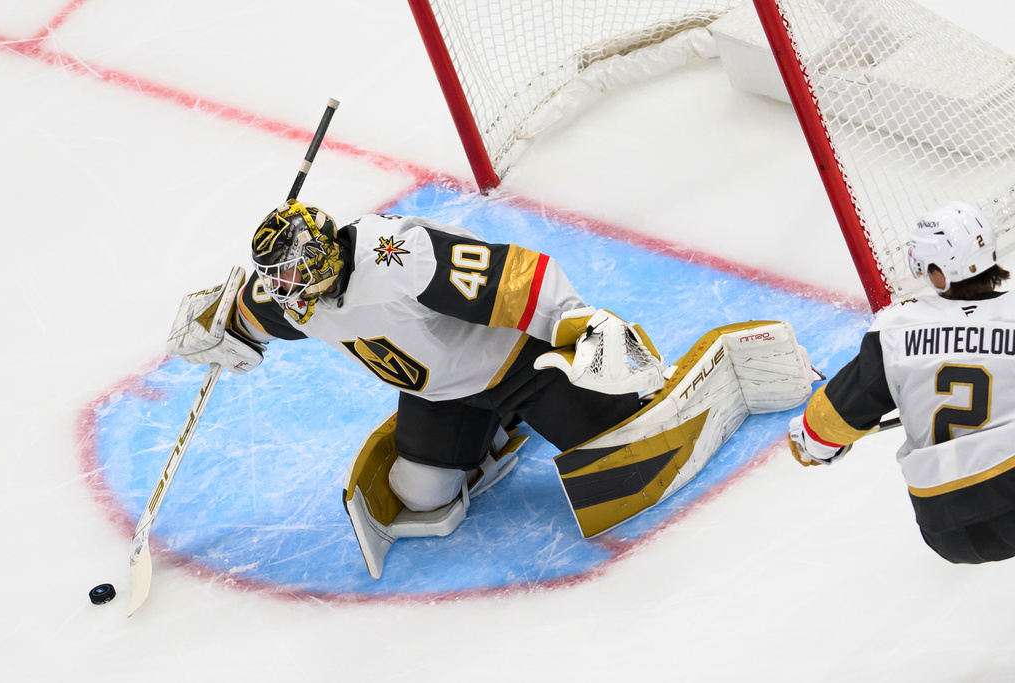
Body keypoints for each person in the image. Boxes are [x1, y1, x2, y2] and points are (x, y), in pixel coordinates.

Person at [170, 199, 815, 577]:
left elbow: (517, 277)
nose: (285, 291)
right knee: (420, 502)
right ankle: (491, 441)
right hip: (441, 394)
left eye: (291, 276)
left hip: (519, 369)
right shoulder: (298, 295)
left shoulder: (402, 257)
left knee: (615, 455)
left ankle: (664, 367)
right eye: (276, 279)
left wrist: (577, 324)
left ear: (323, 260)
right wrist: (218, 323)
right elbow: (250, 311)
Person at [788, 201, 1015, 564]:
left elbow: (820, 431)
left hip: (946, 528)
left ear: (939, 272)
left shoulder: (896, 331)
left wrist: (812, 447)